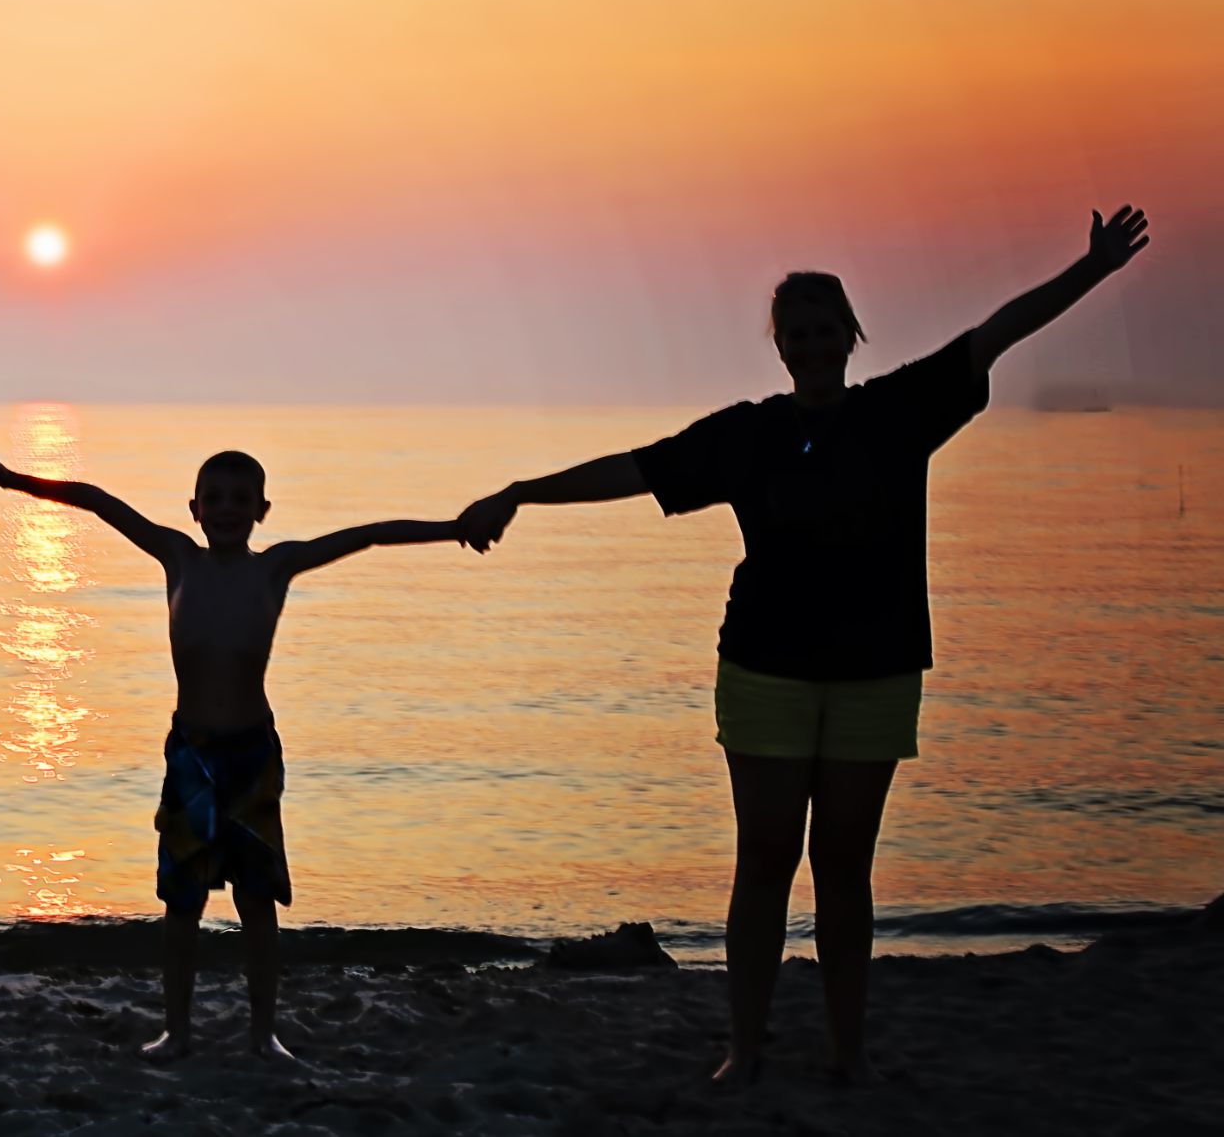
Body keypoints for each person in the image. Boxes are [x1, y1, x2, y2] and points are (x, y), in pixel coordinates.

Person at [455, 207, 1154, 1084]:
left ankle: (847, 1054)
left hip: (876, 671)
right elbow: (636, 470)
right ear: (780, 346)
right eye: (798, 335)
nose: (815, 346)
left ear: (852, 336)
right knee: (766, 861)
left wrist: (1092, 270)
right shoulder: (748, 435)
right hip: (765, 670)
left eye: (828, 331)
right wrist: (518, 491)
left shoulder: (900, 410)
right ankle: (745, 1050)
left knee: (844, 871)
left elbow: (997, 334)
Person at [0, 449, 470, 1060]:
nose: (226, 510)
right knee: (181, 903)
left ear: (262, 510)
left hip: (251, 754)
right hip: (191, 754)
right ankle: (177, 1029)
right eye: (213, 499)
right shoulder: (176, 557)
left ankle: (264, 1033)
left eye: (241, 500)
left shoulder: (275, 568)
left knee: (256, 900)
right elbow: (97, 500)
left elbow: (368, 535)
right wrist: (12, 479)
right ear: (194, 508)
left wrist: (453, 528)